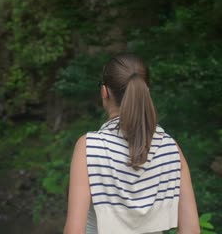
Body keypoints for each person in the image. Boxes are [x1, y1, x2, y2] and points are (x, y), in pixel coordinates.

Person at [63, 54, 200, 234]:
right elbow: (191, 230)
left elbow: (74, 231)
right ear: (146, 91)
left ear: (104, 91)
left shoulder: (89, 148)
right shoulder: (170, 148)